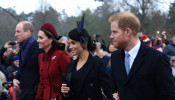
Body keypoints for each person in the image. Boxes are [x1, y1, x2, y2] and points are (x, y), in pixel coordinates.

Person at [109, 11, 175, 100]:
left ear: (127, 32)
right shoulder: (115, 57)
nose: (111, 36)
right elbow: (113, 87)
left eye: (114, 32)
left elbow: (168, 96)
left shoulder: (157, 59)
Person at [61, 15, 115, 100]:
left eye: (73, 43)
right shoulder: (70, 65)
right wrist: (64, 93)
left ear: (85, 43)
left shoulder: (98, 64)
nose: (70, 47)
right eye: (69, 43)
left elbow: (108, 89)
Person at [35, 23, 70, 100]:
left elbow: (71, 77)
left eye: (41, 38)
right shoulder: (40, 57)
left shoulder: (61, 55)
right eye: (38, 37)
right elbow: (42, 83)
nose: (37, 40)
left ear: (50, 40)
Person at [13, 21, 42, 100]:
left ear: (28, 32)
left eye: (18, 32)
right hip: (23, 94)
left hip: (35, 95)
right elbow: (23, 68)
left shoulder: (39, 48)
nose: (15, 34)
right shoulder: (21, 49)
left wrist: (36, 90)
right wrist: (16, 78)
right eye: (16, 32)